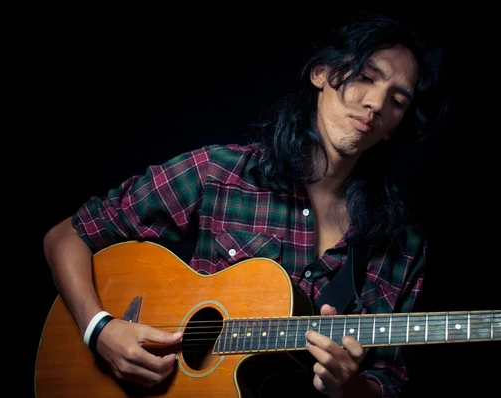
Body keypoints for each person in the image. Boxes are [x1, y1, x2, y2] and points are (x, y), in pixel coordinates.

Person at [43, 11, 448, 398]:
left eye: (397, 100)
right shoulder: (220, 171)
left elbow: (389, 380)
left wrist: (347, 386)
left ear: (397, 126)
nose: (376, 103)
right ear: (321, 73)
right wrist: (99, 329)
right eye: (365, 76)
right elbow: (66, 236)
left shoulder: (402, 245)